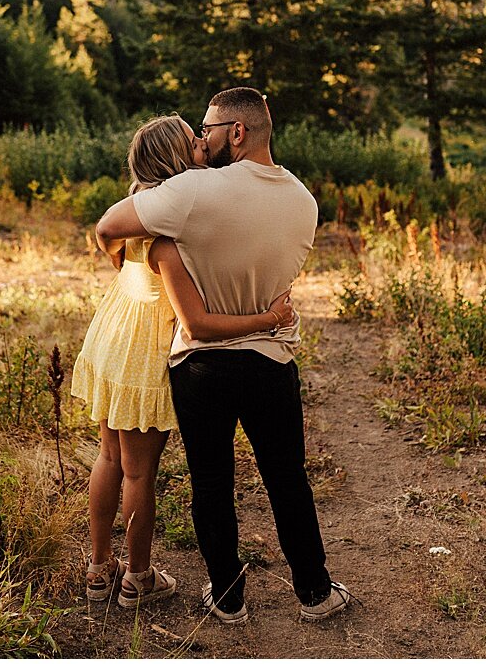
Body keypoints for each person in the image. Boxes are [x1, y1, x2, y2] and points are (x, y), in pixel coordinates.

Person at [94, 88, 353, 625]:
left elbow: (110, 226)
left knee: (210, 480)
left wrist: (123, 268)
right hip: (270, 358)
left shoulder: (193, 191)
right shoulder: (304, 201)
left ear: (236, 132)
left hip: (202, 363)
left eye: (208, 130)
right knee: (287, 476)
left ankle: (227, 598)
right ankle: (314, 593)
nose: (203, 139)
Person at [72, 114, 298, 609]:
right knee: (137, 473)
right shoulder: (169, 236)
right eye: (195, 146)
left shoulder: (139, 214)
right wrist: (267, 317)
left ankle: (97, 569)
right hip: (144, 351)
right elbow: (194, 320)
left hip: (112, 336)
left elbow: (107, 235)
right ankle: (137, 578)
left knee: (108, 458)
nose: (204, 148)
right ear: (179, 163)